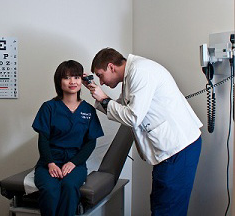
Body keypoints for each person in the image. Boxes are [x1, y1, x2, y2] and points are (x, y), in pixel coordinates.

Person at [85, 48, 203, 216]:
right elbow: (120, 107)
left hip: (178, 149)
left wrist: (103, 98)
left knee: (167, 209)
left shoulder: (140, 72)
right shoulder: (132, 74)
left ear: (111, 67)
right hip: (171, 149)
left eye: (100, 75)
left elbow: (133, 117)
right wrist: (96, 95)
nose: (101, 82)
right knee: (161, 204)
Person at [32, 60, 104, 216]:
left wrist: (73, 163)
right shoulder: (49, 107)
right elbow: (43, 139)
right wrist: (50, 163)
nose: (72, 81)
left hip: (75, 163)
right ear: (59, 81)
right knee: (50, 190)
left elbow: (91, 142)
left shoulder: (88, 110)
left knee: (69, 187)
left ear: (82, 81)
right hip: (49, 162)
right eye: (67, 77)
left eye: (76, 77)